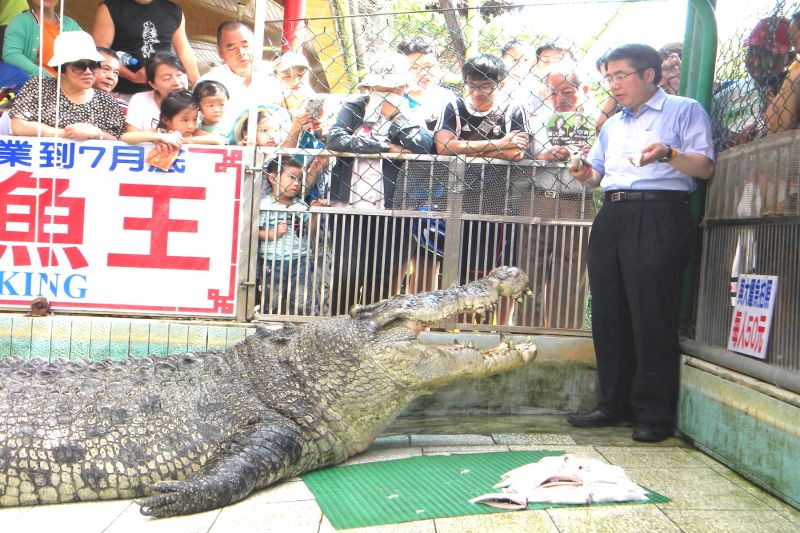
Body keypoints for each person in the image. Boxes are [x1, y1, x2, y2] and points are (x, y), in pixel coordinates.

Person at [566, 44, 714, 443]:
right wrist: (582, 170)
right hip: (613, 214)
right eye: (608, 77)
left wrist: (668, 153)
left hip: (660, 212)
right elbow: (596, 174)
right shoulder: (613, 125)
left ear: (649, 74)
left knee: (651, 312)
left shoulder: (684, 110)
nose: (613, 85)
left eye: (620, 76)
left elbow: (704, 166)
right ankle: (613, 404)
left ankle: (654, 414)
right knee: (609, 311)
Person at [326, 52, 434, 314]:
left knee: (383, 275)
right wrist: (385, 147)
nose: (382, 95)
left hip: (390, 210)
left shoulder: (410, 113)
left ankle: (372, 332)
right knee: (348, 273)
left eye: (390, 89)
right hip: (350, 208)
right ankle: (338, 326)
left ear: (402, 88)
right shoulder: (354, 107)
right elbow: (335, 138)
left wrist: (396, 116)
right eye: (378, 89)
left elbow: (423, 145)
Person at [9, 30, 125, 140]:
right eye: (79, 66)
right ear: (62, 69)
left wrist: (96, 133)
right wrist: (62, 134)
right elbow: (18, 126)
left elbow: (120, 139)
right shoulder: (38, 87)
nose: (88, 72)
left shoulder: (107, 102)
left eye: (94, 65)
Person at [258, 157, 328, 315]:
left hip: (300, 259)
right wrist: (272, 234)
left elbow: (309, 231)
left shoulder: (300, 206)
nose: (297, 183)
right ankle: (269, 323)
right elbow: (255, 231)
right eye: (292, 178)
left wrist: (315, 213)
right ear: (273, 177)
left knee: (301, 298)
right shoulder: (265, 205)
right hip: (272, 260)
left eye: (300, 179)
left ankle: (297, 325)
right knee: (272, 297)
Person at [714, 16, 792, 150]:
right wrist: (730, 144)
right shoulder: (728, 95)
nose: (755, 61)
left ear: (788, 59)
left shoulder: (793, 90)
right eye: (752, 51)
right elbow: (706, 145)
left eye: (765, 54)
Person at [92, 0, 199, 97]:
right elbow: (100, 51)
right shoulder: (110, 7)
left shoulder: (174, 10)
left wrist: (198, 85)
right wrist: (133, 76)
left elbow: (184, 52)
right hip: (122, 91)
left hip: (164, 93)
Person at [198, 20, 280, 139]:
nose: (241, 52)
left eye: (246, 46)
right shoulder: (208, 83)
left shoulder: (275, 75)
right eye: (232, 48)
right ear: (220, 52)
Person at [3, 0, 82, 78]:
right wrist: (50, 78)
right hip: (38, 86)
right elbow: (11, 55)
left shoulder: (70, 24)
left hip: (72, 86)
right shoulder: (20, 22)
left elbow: (89, 54)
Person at [121, 89, 224, 147]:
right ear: (166, 120)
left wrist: (185, 141)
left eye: (195, 119)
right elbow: (126, 137)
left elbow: (219, 140)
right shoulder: (160, 132)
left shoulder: (194, 133)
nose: (191, 125)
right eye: (184, 120)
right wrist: (160, 137)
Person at [397, 37, 457, 131]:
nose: (423, 73)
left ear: (438, 65)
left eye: (428, 66)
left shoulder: (447, 98)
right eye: (414, 67)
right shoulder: (394, 99)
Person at [125, 51, 188, 132]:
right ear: (153, 84)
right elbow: (131, 136)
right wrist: (161, 137)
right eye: (167, 78)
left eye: (179, 75)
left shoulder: (196, 100)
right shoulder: (140, 100)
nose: (177, 82)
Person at [93, 46, 128, 114]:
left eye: (116, 73)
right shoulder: (70, 101)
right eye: (106, 69)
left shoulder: (121, 107)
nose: (111, 77)